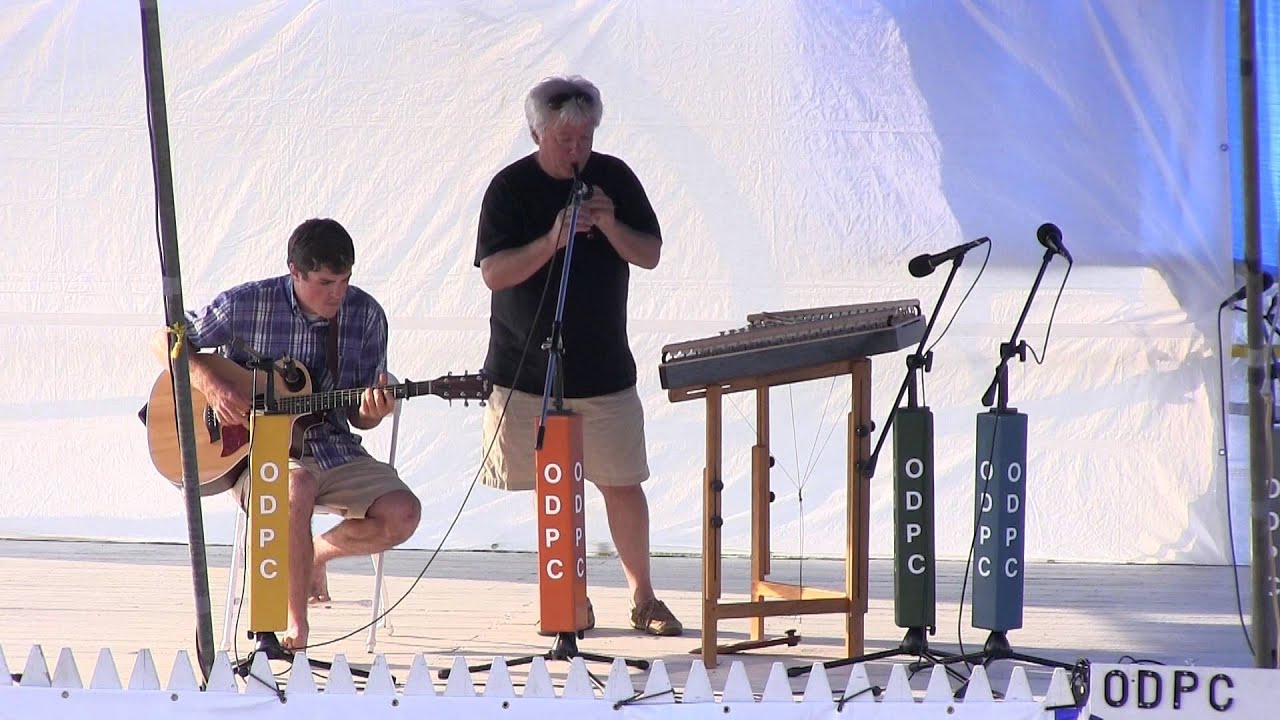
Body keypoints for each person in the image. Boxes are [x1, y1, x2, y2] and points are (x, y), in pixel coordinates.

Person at [150, 218, 421, 649]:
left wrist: (376, 412)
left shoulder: (365, 315)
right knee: (295, 484)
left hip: (333, 446)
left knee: (404, 514)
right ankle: (295, 627)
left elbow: (359, 417)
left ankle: (316, 551)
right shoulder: (247, 303)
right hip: (254, 452)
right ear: (294, 271)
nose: (338, 293)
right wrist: (214, 386)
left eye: (346, 280)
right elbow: (168, 339)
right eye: (326, 282)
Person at [474, 75, 682, 636]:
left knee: (621, 482)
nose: (576, 150)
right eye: (565, 139)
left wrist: (611, 223)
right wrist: (551, 241)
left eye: (585, 137)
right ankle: (572, 599)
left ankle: (644, 597)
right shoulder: (509, 189)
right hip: (529, 368)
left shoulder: (613, 177)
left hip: (603, 365)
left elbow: (652, 254)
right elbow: (494, 273)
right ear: (536, 132)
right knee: (552, 483)